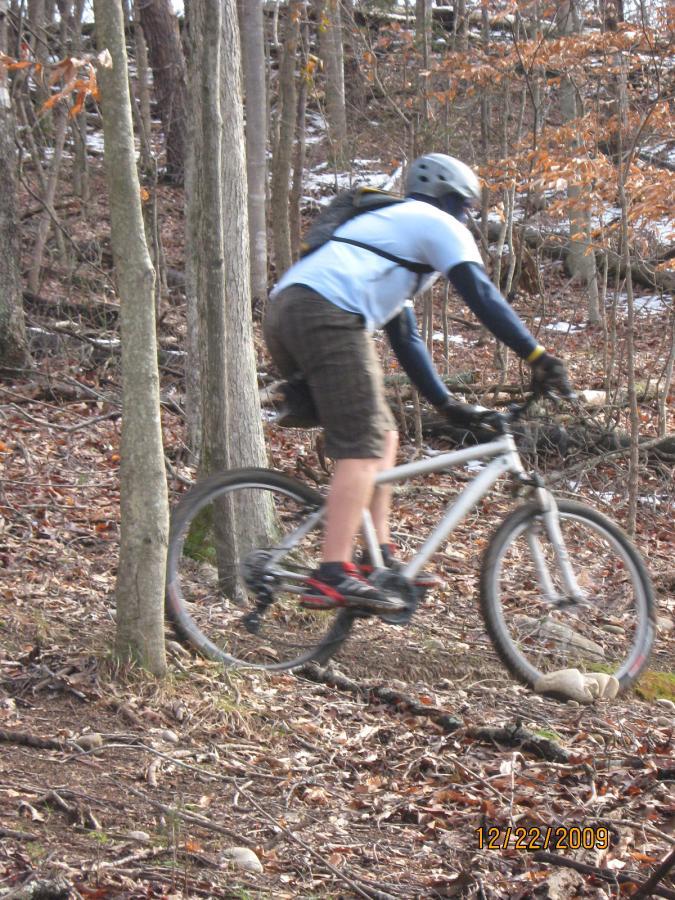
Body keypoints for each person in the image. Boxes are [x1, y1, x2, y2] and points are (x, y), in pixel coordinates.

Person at [264, 153, 572, 612]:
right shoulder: (434, 222)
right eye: (466, 208)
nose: (466, 218)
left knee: (384, 435)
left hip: (291, 308)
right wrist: (537, 355)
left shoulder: (392, 233)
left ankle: (378, 559)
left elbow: (405, 337)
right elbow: (481, 293)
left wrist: (447, 404)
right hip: (324, 313)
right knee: (363, 444)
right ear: (452, 198)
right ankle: (332, 573)